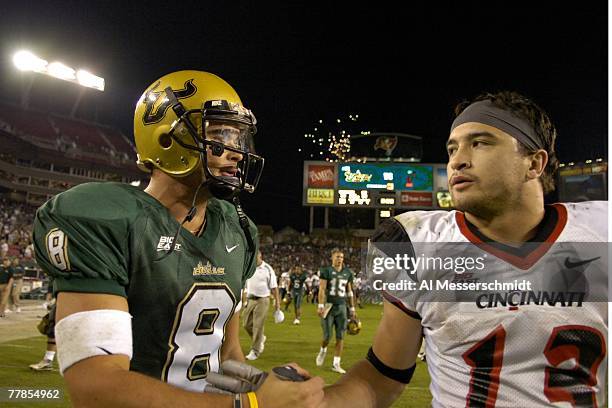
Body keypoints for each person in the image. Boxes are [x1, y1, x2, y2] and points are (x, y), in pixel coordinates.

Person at [33, 70, 324, 408]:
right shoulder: (104, 219)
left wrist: (263, 385)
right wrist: (250, 405)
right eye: (220, 136)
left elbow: (224, 355)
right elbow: (95, 387)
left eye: (239, 138)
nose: (237, 152)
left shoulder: (236, 229)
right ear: (167, 140)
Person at [323, 91, 607, 407]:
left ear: (534, 163)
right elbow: (382, 378)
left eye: (480, 142)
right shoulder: (416, 244)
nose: (458, 160)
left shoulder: (601, 234)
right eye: (452, 148)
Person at [316, 248, 356, 374]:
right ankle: (323, 350)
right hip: (329, 306)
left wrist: (352, 308)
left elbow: (349, 292)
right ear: (332, 258)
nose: (340, 259)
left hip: (342, 307)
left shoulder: (348, 272)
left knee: (340, 336)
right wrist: (321, 305)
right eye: (337, 257)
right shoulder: (326, 271)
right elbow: (322, 289)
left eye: (342, 257)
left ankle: (336, 363)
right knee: (327, 336)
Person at [242, 250, 281, 360]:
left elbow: (274, 288)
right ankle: (260, 339)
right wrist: (244, 300)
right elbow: (245, 285)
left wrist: (277, 303)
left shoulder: (267, 269)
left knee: (258, 325)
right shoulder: (248, 268)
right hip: (251, 299)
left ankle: (255, 351)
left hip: (263, 299)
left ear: (260, 255)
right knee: (246, 324)